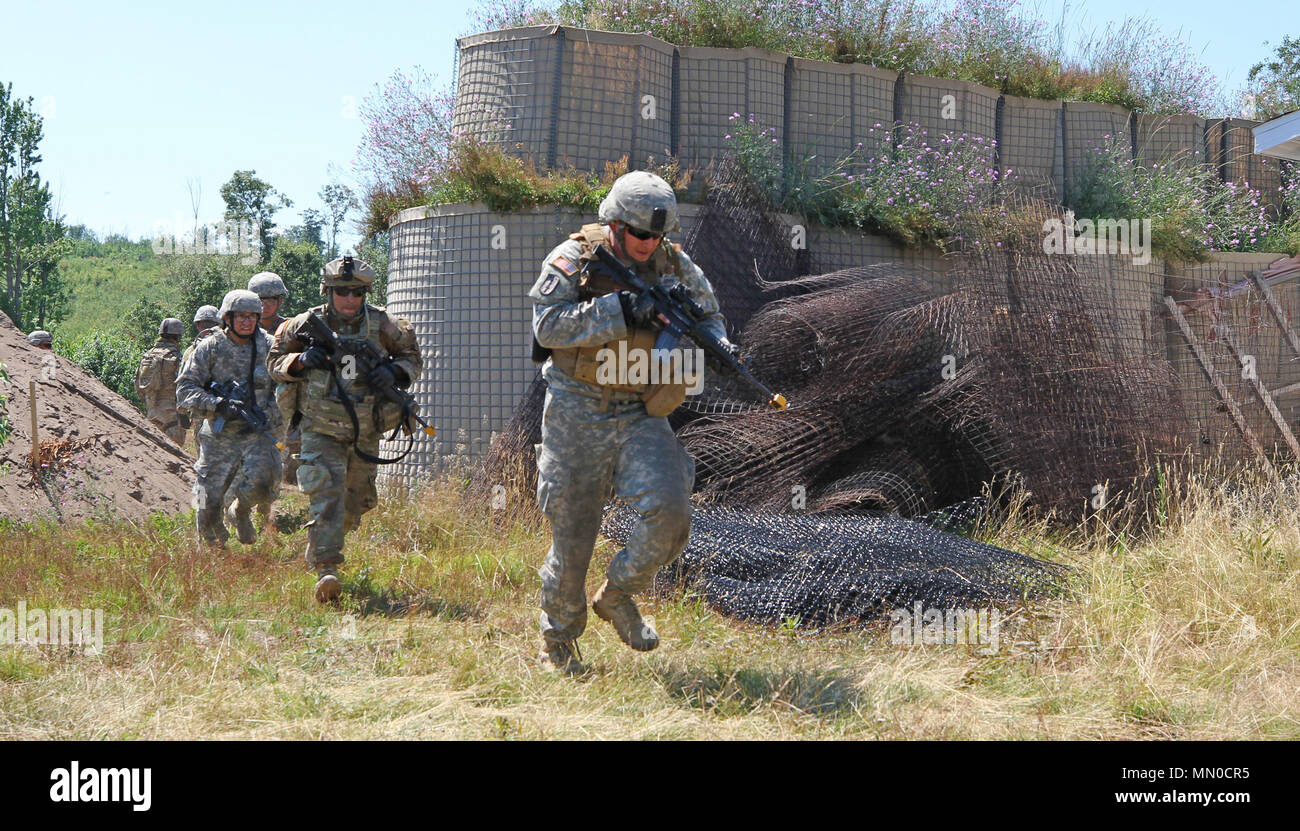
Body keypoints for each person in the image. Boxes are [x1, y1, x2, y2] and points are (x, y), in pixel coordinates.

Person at [528, 170, 738, 674]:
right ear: (616, 225)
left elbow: (708, 314)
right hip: (578, 408)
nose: (649, 244)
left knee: (671, 513)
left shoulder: (674, 263)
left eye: (657, 236)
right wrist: (618, 309)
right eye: (640, 234)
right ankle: (558, 640)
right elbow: (546, 327)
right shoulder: (575, 258)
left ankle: (618, 594)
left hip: (639, 407)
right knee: (574, 535)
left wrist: (720, 344)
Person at [268, 256, 422, 603]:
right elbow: (273, 363)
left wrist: (395, 373)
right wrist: (300, 361)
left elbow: (412, 357)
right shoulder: (304, 324)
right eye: (342, 292)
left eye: (356, 292)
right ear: (328, 291)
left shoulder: (385, 325)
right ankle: (327, 568)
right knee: (327, 494)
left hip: (365, 430)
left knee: (356, 502)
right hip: (320, 428)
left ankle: (323, 542)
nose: (350, 300)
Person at [176, 290, 283, 547]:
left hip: (257, 430)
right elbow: (185, 390)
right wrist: (219, 405)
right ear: (227, 318)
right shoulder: (211, 347)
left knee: (266, 479)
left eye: (252, 316)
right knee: (207, 495)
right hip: (219, 432)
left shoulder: (269, 346)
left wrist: (269, 412)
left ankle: (240, 512)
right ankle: (211, 544)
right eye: (241, 316)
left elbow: (284, 388)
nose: (247, 322)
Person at [249, 271, 300, 484]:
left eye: (271, 300)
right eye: (260, 300)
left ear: (280, 301)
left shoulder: (290, 330)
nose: (265, 305)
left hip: (282, 403)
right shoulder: (241, 328)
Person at [135, 318, 187, 444]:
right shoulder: (177, 358)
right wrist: (185, 417)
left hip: (151, 414)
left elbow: (138, 386)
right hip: (173, 418)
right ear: (178, 337)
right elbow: (184, 389)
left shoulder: (147, 356)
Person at [182, 305, 223, 448]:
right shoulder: (228, 345)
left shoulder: (191, 350)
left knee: (202, 449)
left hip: (200, 407)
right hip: (226, 406)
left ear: (198, 325)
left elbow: (183, 382)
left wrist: (182, 410)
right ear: (218, 323)